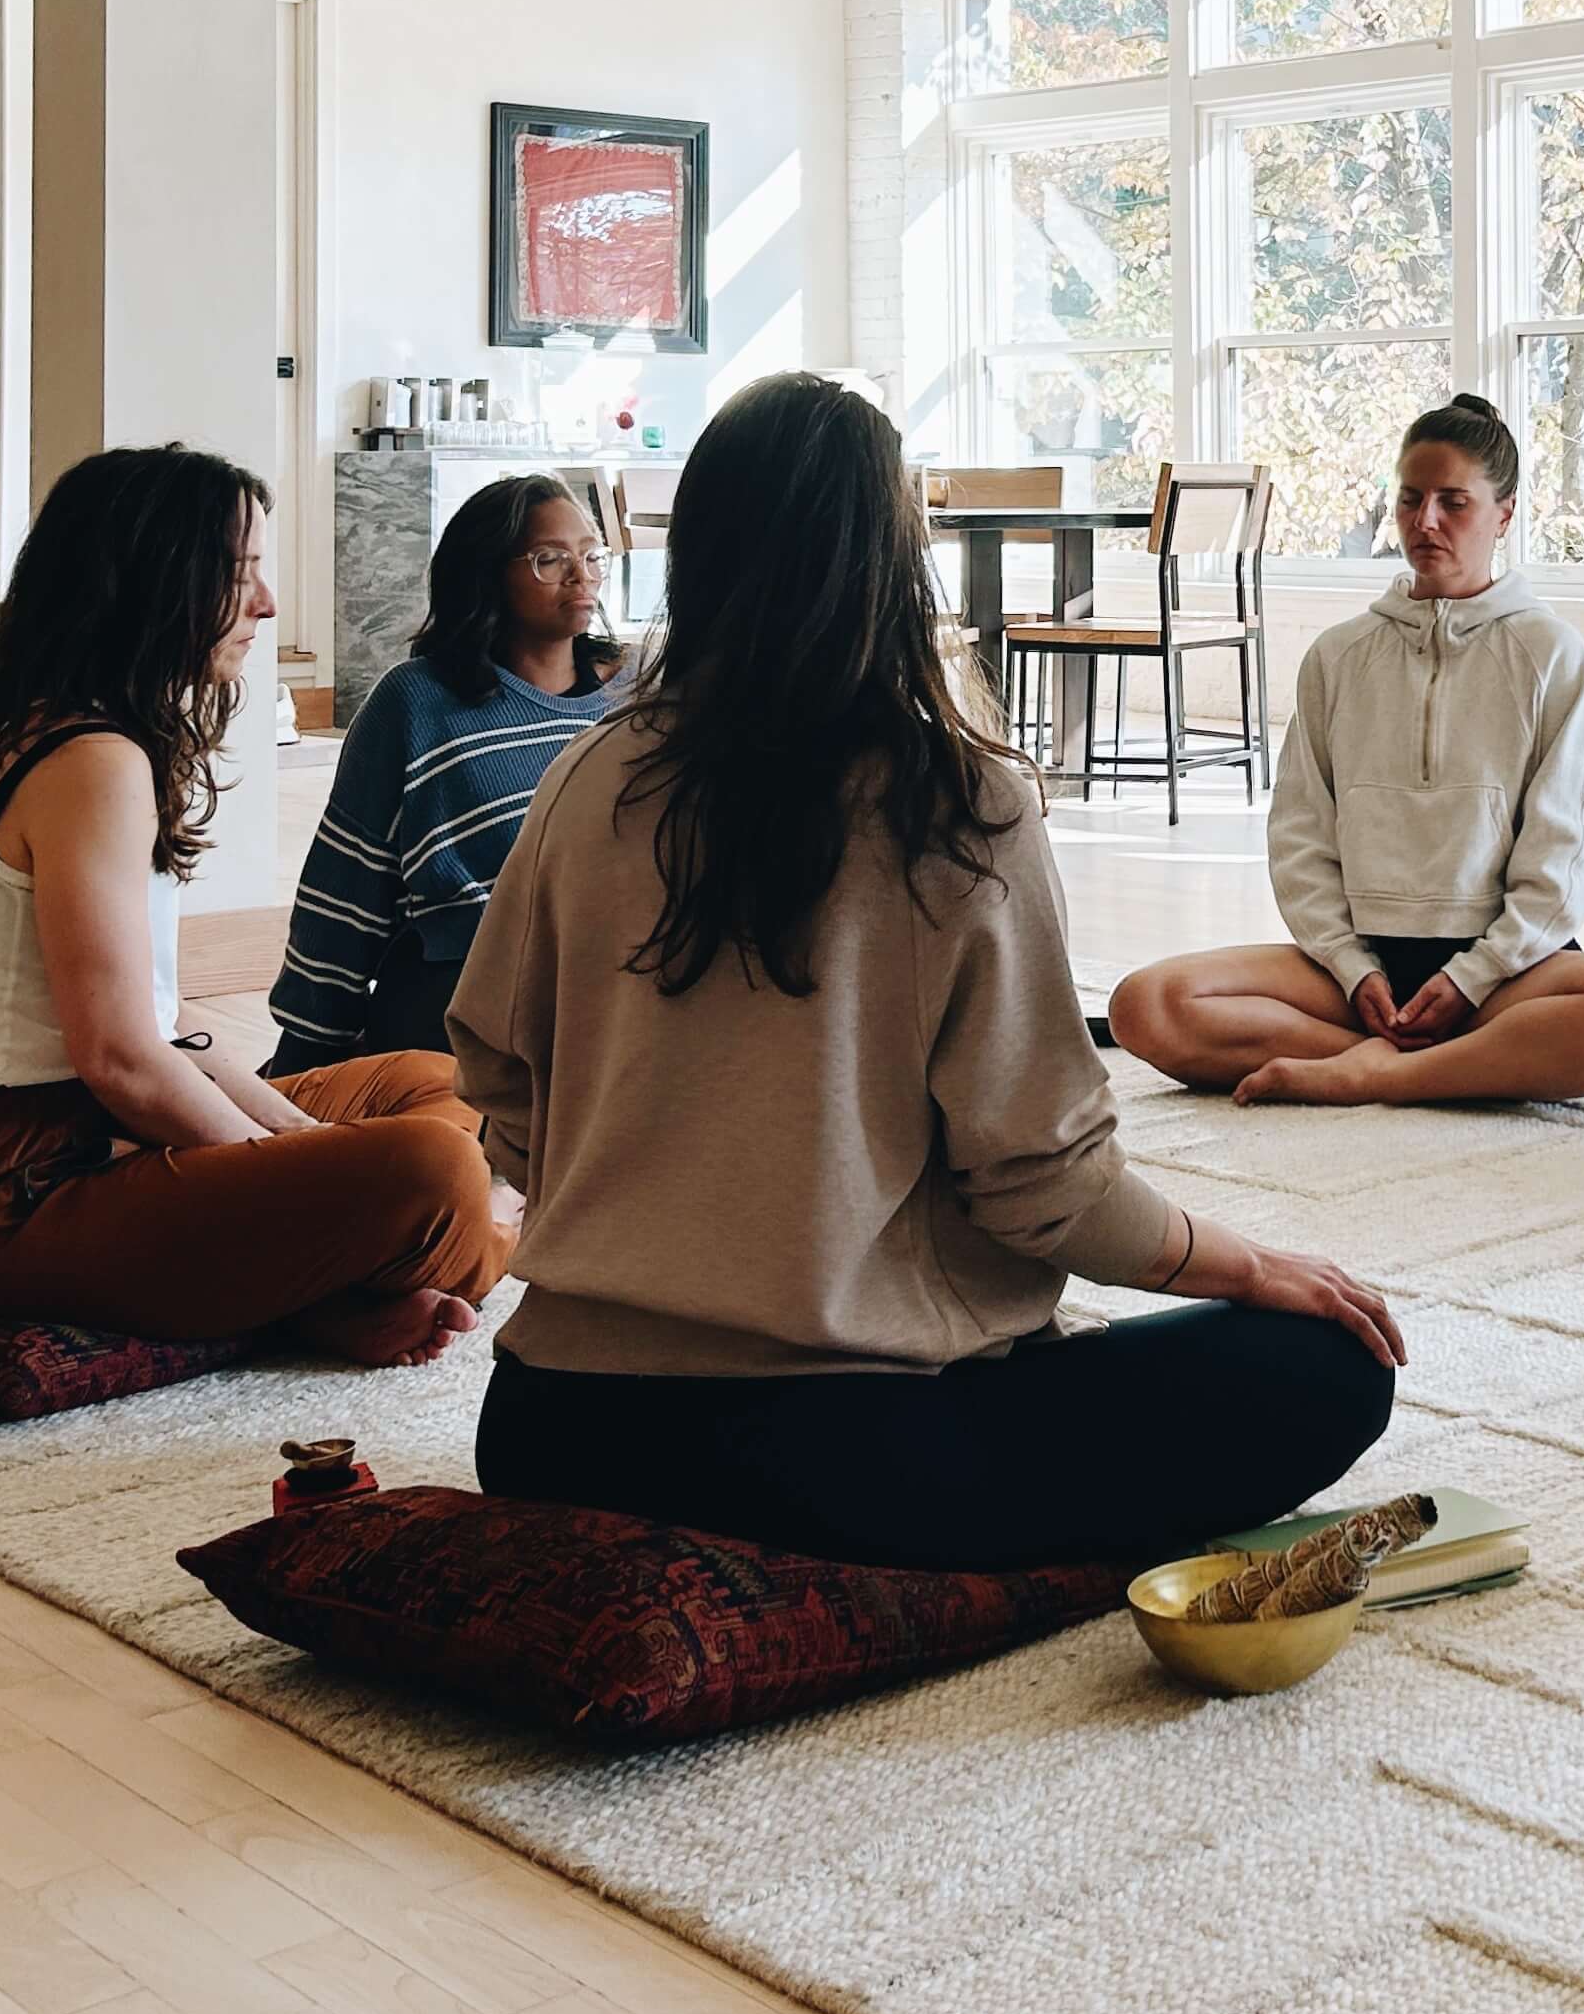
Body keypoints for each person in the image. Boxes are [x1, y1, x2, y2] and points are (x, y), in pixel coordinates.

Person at [455, 373, 1403, 1573]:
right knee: (1326, 1364)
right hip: (837, 1455)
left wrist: (649, 1215)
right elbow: (1046, 1190)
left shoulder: (588, 777)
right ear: (895, 561)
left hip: (554, 1435)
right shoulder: (954, 804)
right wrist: (1258, 1266)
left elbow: (495, 1067)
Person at [0, 447, 502, 1362]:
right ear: (152, 580)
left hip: (97, 1148)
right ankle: (467, 1243)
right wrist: (285, 1169)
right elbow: (123, 1063)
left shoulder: (84, 737)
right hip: (5, 1201)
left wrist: (300, 1140)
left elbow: (159, 1040)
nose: (268, 603)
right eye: (240, 572)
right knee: (437, 1168)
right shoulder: (90, 760)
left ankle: (323, 1289)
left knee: (432, 1084)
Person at [1107, 396, 1584, 1108]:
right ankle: (1447, 1067)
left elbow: (1566, 848)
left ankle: (1375, 1075)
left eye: (1454, 502)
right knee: (1147, 1004)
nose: (1426, 522)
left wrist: (1477, 974)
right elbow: (1299, 836)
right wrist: (1353, 969)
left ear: (1503, 516)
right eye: (1410, 500)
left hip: (1502, 975)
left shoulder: (1549, 652)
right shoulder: (1339, 655)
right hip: (1357, 978)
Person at [267, 474, 625, 1073]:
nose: (581, 575)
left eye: (591, 556)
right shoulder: (416, 702)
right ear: (487, 573)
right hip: (464, 997)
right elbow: (347, 884)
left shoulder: (635, 697)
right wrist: (307, 1058)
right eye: (549, 559)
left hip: (612, 994)